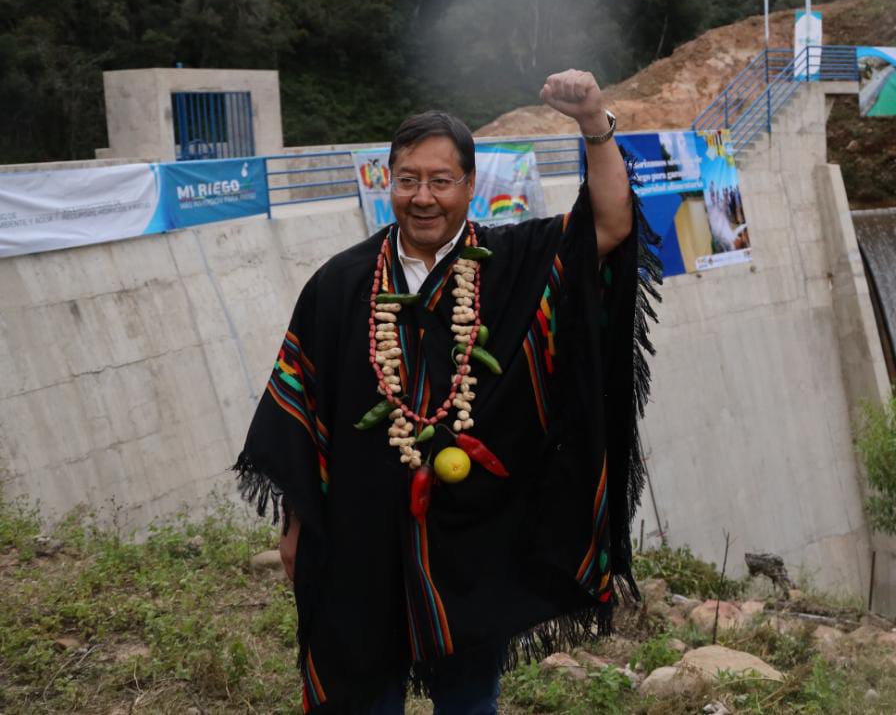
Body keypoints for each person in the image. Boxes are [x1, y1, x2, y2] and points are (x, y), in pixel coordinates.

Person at [235, 69, 659, 714]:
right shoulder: (341, 284)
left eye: (440, 181)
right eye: (408, 180)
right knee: (359, 687)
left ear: (469, 185)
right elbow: (302, 413)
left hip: (475, 539)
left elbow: (610, 224)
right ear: (388, 183)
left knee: (468, 696)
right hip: (360, 535)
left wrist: (593, 123)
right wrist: (295, 524)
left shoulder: (512, 261)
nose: (423, 197)